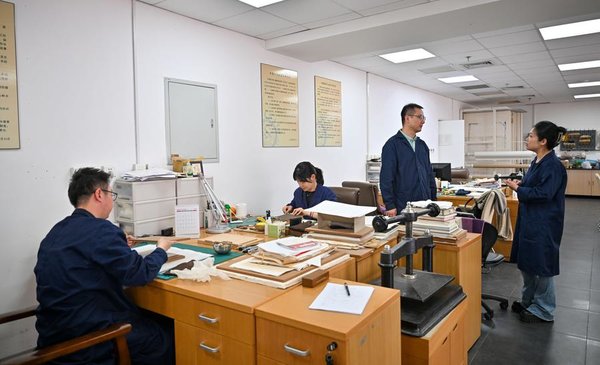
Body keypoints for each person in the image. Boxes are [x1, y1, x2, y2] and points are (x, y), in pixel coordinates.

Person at [35, 167, 175, 364]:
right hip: (89, 342)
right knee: (166, 336)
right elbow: (140, 273)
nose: (113, 200)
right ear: (99, 194)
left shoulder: (55, 232)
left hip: (54, 339)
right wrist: (161, 249)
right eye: (112, 194)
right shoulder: (102, 230)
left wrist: (118, 243)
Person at [505, 121, 567, 323]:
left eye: (531, 136)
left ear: (543, 141)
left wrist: (518, 189)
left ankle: (544, 309)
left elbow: (544, 194)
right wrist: (522, 184)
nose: (527, 139)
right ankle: (529, 300)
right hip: (530, 220)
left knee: (542, 265)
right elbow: (535, 184)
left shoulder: (553, 166)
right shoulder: (537, 162)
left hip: (544, 223)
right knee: (528, 263)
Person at [379, 103, 437, 216]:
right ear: (407, 118)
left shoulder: (422, 145)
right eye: (420, 117)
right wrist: (390, 205)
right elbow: (386, 178)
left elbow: (429, 175)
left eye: (423, 118)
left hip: (425, 205)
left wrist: (433, 201)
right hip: (403, 206)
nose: (423, 121)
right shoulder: (392, 145)